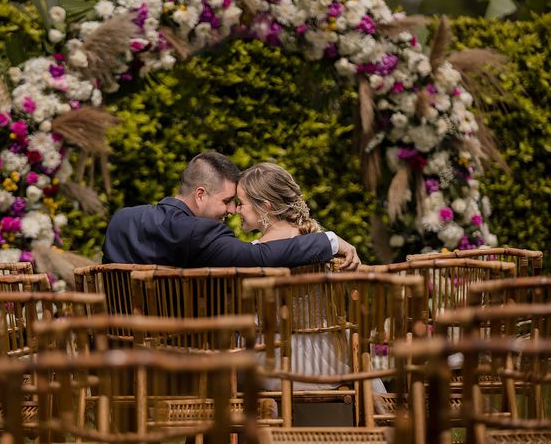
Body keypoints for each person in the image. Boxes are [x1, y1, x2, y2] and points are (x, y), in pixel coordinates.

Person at [237, 162, 385, 397]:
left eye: (241, 204)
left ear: (265, 207)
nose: (237, 210)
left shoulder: (254, 253)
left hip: (275, 360)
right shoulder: (321, 244)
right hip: (330, 355)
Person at [103, 151, 361, 269]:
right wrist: (330, 240)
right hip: (181, 352)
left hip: (118, 348)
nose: (231, 210)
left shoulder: (120, 220)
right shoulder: (199, 232)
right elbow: (259, 258)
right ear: (200, 194)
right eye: (227, 200)